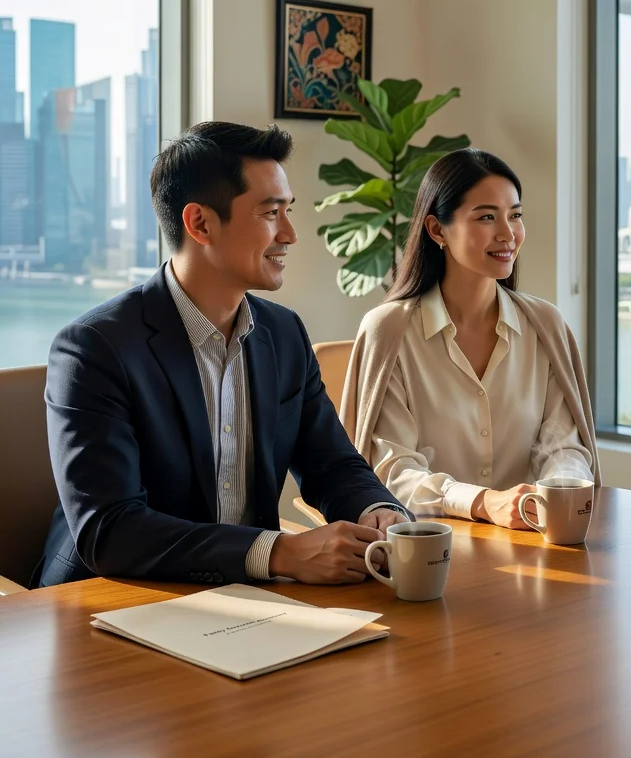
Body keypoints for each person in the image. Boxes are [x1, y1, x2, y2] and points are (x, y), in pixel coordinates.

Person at [35, 122, 409, 588]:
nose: (290, 234)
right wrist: (279, 552)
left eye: (287, 211)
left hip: (248, 600)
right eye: (271, 213)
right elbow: (109, 530)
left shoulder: (284, 332)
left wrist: (380, 513)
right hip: (109, 601)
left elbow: (333, 465)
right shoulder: (94, 348)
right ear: (201, 224)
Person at [342, 148, 599, 528]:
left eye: (515, 215)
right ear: (436, 229)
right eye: (486, 218)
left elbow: (564, 445)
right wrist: (480, 502)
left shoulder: (545, 325)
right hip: (428, 546)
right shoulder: (390, 330)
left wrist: (556, 493)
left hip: (531, 541)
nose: (508, 234)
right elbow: (392, 471)